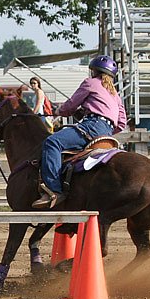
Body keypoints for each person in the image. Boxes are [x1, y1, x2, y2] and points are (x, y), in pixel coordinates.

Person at [32, 55, 127, 209]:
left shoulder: (90, 83)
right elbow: (122, 123)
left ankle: (54, 190)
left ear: (94, 71)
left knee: (52, 142)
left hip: (91, 126)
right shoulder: (115, 93)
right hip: (107, 133)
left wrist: (58, 110)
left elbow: (70, 106)